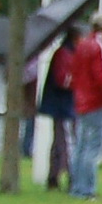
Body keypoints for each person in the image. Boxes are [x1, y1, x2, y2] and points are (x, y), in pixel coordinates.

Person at [69, 13, 102, 200]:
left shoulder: (81, 45)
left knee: (80, 146)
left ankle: (76, 187)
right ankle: (87, 189)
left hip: (81, 101)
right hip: (97, 102)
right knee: (94, 147)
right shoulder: (100, 47)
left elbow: (75, 73)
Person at [38, 25, 78, 191]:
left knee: (59, 142)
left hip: (60, 105)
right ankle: (70, 177)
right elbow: (63, 80)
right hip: (64, 106)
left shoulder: (64, 53)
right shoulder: (65, 54)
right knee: (66, 142)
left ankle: (53, 177)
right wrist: (78, 83)